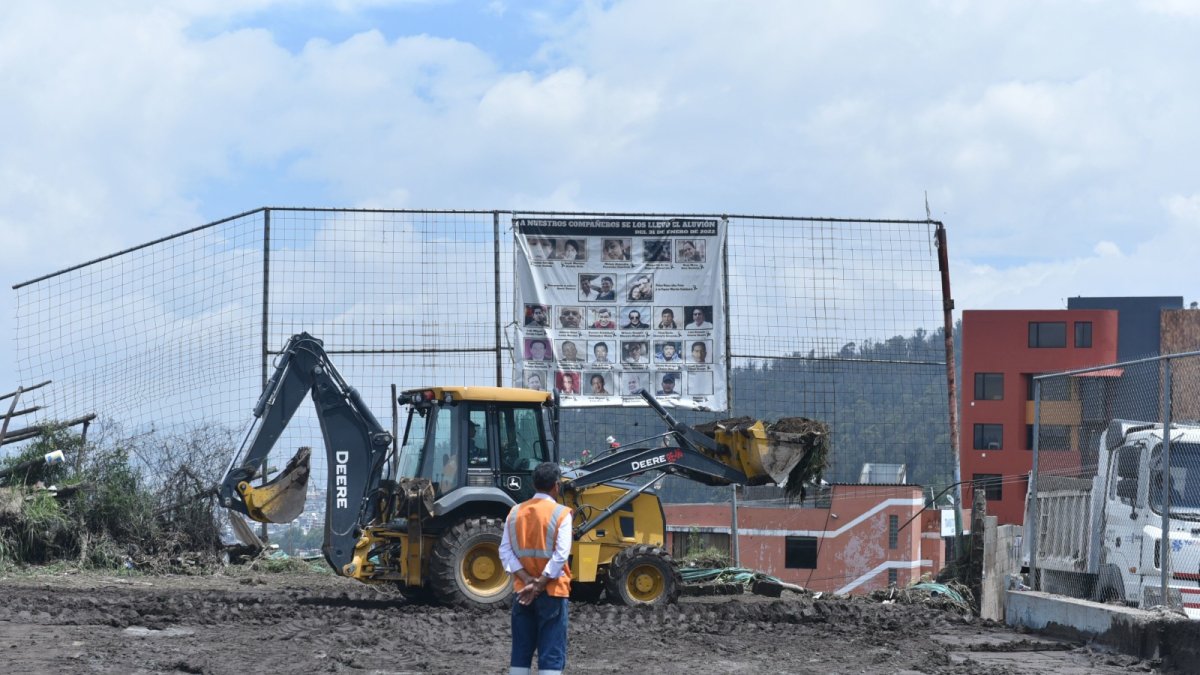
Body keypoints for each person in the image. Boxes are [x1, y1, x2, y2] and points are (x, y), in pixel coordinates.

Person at [500, 462, 572, 675]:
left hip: (523, 592)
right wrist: (540, 583)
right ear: (556, 486)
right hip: (552, 592)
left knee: (520, 653)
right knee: (550, 652)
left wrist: (527, 579)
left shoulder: (515, 512)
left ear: (534, 483)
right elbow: (561, 554)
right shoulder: (561, 514)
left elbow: (505, 551)